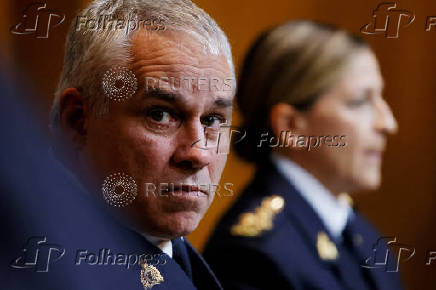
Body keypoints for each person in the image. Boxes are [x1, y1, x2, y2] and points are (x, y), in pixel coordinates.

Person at [48, 0, 235, 289]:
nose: (198, 153)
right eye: (160, 115)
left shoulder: (170, 255)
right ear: (77, 122)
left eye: (212, 120)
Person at [203, 20, 403, 290]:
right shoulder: (253, 255)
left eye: (381, 98)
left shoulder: (356, 229)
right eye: (360, 102)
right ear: (291, 126)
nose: (388, 123)